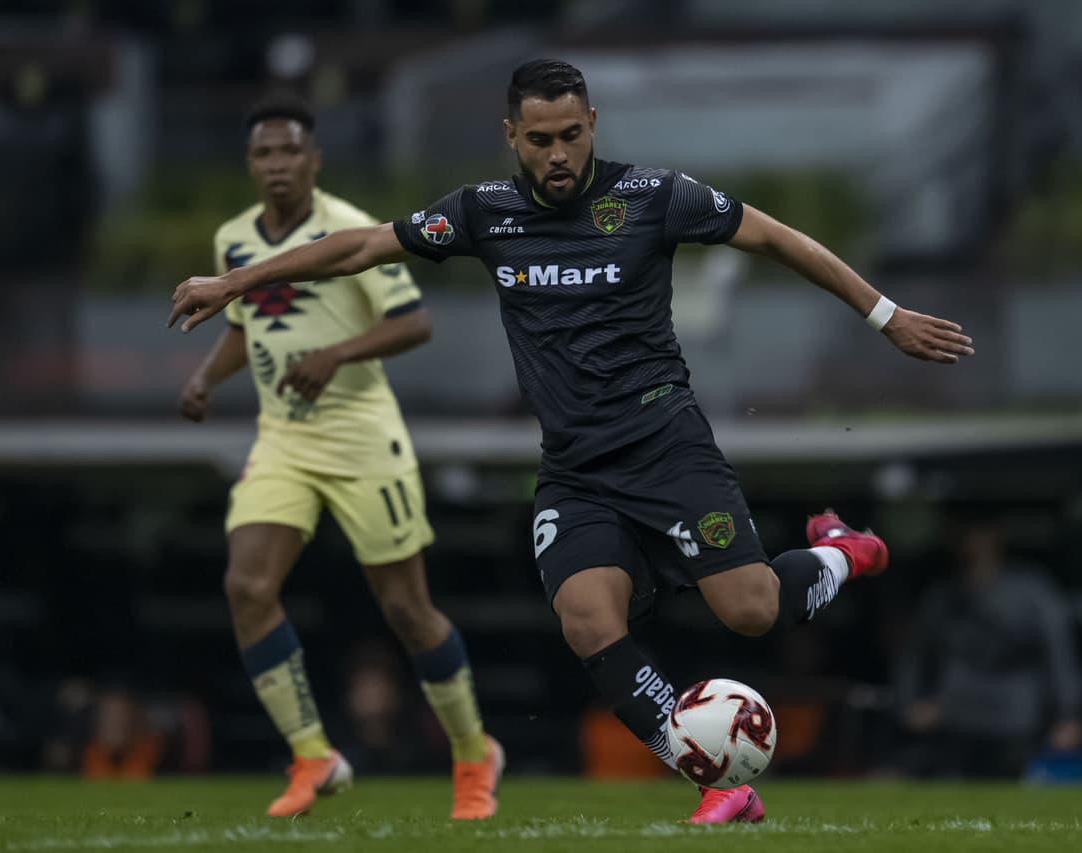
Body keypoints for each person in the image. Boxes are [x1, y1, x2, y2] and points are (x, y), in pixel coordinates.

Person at [169, 62, 974, 823]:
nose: (559, 155)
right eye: (540, 139)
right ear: (511, 136)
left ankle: (841, 551)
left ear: (592, 124)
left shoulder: (654, 196)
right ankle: (716, 782)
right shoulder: (484, 211)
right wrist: (235, 282)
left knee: (752, 610)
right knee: (587, 618)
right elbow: (359, 246)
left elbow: (777, 238)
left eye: (571, 135)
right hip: (576, 472)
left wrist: (886, 316)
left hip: (668, 449)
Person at [176, 94, 500, 819]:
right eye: (265, 153)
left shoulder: (350, 227)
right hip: (284, 437)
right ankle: (313, 754)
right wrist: (203, 376)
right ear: (251, 164)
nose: (278, 164)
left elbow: (415, 321)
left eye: (290, 151)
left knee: (407, 608)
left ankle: (475, 752)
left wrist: (337, 353)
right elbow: (245, 322)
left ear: (314, 160)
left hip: (360, 432)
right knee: (247, 585)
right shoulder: (235, 239)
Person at [894, 515, 1082, 778]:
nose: (971, 542)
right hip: (954, 715)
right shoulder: (942, 597)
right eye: (963, 533)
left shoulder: (1030, 590)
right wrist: (911, 702)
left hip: (1015, 713)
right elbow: (915, 656)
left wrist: (1069, 714)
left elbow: (1058, 652)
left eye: (979, 532)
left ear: (996, 537)